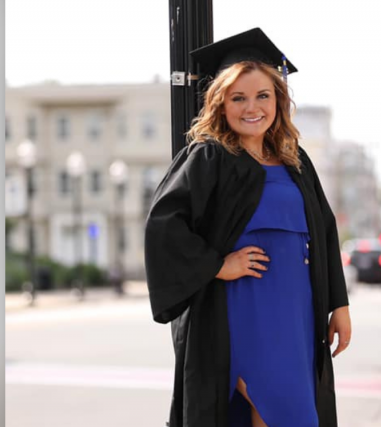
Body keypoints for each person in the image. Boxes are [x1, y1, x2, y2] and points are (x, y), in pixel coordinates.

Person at [145, 28, 352, 427]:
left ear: (279, 100)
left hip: (296, 311)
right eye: (238, 98)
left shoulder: (294, 160)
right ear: (220, 104)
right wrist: (217, 266)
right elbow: (163, 225)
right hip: (242, 307)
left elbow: (325, 231)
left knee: (271, 414)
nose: (251, 107)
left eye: (262, 96)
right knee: (286, 412)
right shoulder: (209, 158)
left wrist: (338, 305)